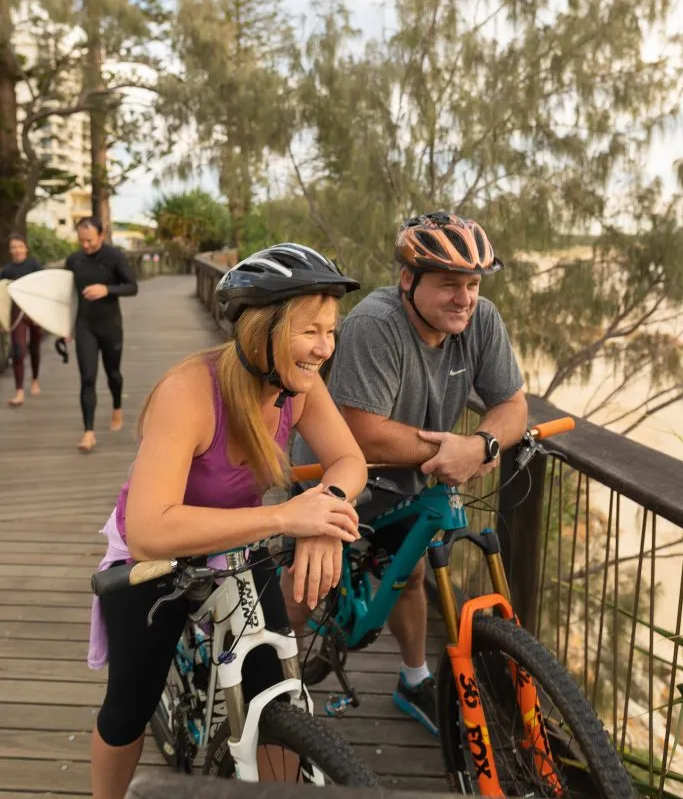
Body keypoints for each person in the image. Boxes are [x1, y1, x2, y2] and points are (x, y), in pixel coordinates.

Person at [87, 243, 368, 799]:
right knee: (128, 706)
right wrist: (288, 514)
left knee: (274, 686)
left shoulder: (298, 386)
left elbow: (349, 460)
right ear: (261, 331)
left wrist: (323, 513)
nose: (324, 348)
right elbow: (150, 529)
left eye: (331, 331)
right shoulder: (188, 392)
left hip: (236, 539)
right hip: (157, 549)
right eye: (311, 330)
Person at [290, 212, 528, 736]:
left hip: (412, 477)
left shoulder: (480, 319)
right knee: (308, 576)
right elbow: (362, 432)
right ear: (408, 281)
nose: (464, 298)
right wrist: (453, 451)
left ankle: (413, 678)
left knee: (412, 571)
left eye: (471, 284)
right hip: (334, 472)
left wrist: (480, 443)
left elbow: (512, 403)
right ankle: (280, 677)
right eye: (448, 284)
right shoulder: (376, 325)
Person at [65, 216, 138, 452]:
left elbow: (132, 287)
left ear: (101, 235)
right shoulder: (73, 261)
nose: (85, 246)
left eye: (90, 241)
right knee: (87, 378)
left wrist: (106, 289)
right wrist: (63, 327)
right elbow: (66, 296)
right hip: (84, 325)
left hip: (110, 326)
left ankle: (117, 406)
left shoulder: (114, 257)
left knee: (113, 374)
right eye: (81, 241)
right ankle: (88, 432)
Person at [1, 234, 43, 407]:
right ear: (10, 250)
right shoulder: (7, 270)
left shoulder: (34, 265)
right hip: (17, 313)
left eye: (19, 246)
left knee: (35, 347)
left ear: (26, 248)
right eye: (13, 247)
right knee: (18, 350)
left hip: (36, 311)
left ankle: (34, 379)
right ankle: (19, 391)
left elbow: (45, 287)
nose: (16, 250)